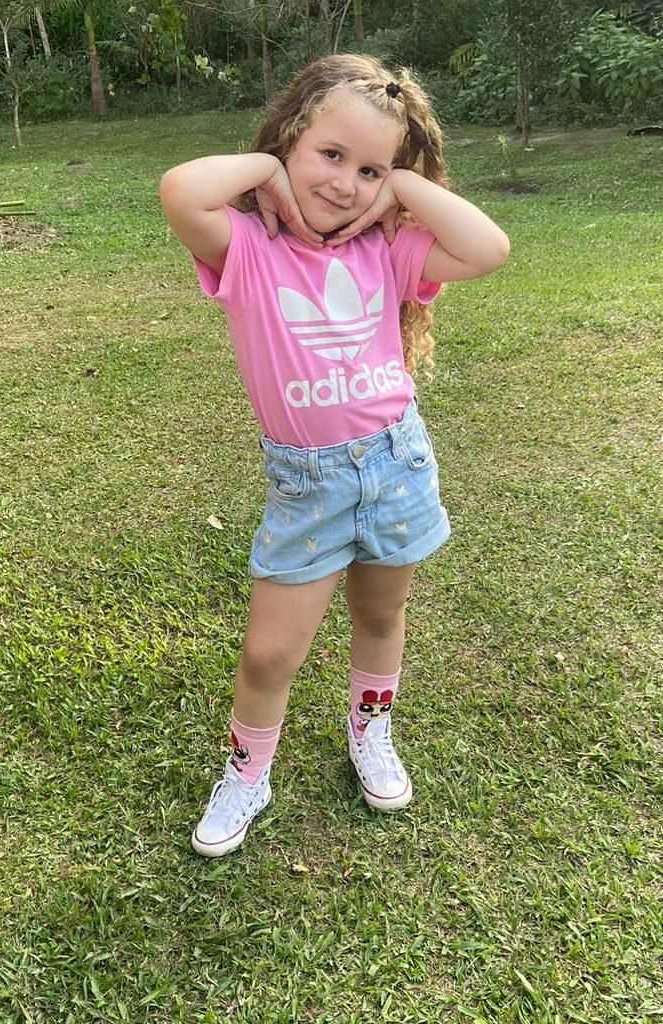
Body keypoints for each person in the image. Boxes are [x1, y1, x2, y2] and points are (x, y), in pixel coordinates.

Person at [159, 54, 509, 858]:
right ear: (290, 139)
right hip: (307, 486)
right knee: (268, 653)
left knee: (381, 614)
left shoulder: (386, 250)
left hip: (396, 465)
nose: (346, 183)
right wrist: (268, 173)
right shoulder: (249, 247)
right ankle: (248, 775)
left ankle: (370, 731)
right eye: (330, 155)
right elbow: (181, 189)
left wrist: (403, 188)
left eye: (369, 169)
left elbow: (489, 247)